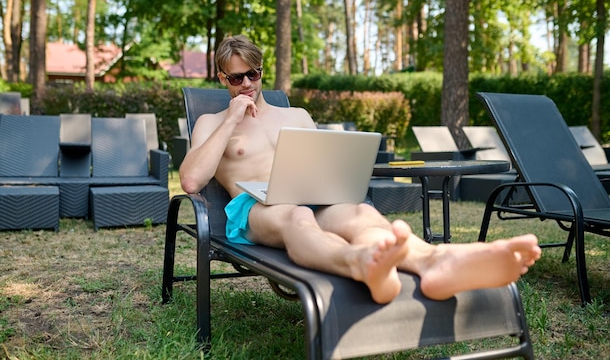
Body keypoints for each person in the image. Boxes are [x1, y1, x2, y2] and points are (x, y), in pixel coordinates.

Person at [179, 35, 542, 304]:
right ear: (222, 79)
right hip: (255, 207)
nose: (246, 85)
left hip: (309, 194)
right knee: (296, 217)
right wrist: (231, 120)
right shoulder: (213, 122)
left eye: (252, 75)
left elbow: (323, 163)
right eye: (235, 78)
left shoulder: (297, 116)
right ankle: (360, 263)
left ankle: (435, 262)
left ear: (262, 72)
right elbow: (192, 179)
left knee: (359, 213)